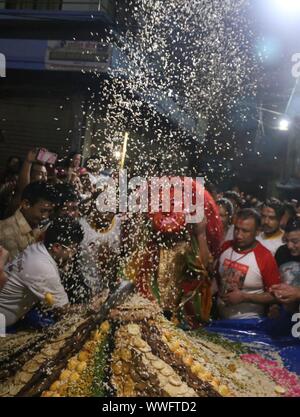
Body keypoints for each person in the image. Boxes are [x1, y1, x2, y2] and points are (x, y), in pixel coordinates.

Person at [0, 217, 83, 328]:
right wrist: (90, 306)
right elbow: (64, 311)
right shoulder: (43, 268)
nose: (73, 254)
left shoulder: (37, 248)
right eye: (72, 249)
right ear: (57, 247)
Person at [217, 208, 280, 320]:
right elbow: (216, 279)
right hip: (219, 319)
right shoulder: (226, 247)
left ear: (257, 232)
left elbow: (275, 295)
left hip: (249, 324)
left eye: (245, 231)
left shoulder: (265, 257)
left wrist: (245, 297)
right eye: (236, 229)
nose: (239, 235)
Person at [0, 182, 57, 260]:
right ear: (26, 204)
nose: (46, 216)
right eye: (43, 211)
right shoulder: (7, 234)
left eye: (49, 211)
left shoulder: (36, 226)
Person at [270, 218, 300, 312]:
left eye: (295, 241)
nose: (289, 246)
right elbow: (275, 283)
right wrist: (275, 305)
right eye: (286, 241)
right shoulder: (282, 252)